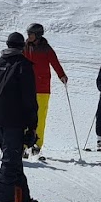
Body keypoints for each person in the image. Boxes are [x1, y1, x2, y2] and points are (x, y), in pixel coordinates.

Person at [0, 32, 38, 202]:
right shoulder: (23, 65)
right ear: (22, 47)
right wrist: (32, 126)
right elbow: (29, 99)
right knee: (10, 160)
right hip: (14, 119)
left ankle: (22, 198)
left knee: (13, 158)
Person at [23, 23, 67, 155]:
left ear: (37, 35)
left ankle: (37, 144)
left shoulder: (46, 49)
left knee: (40, 117)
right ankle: (24, 144)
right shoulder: (24, 47)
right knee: (25, 117)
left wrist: (62, 75)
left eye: (30, 34)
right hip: (26, 87)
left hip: (42, 89)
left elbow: (55, 63)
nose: (28, 36)